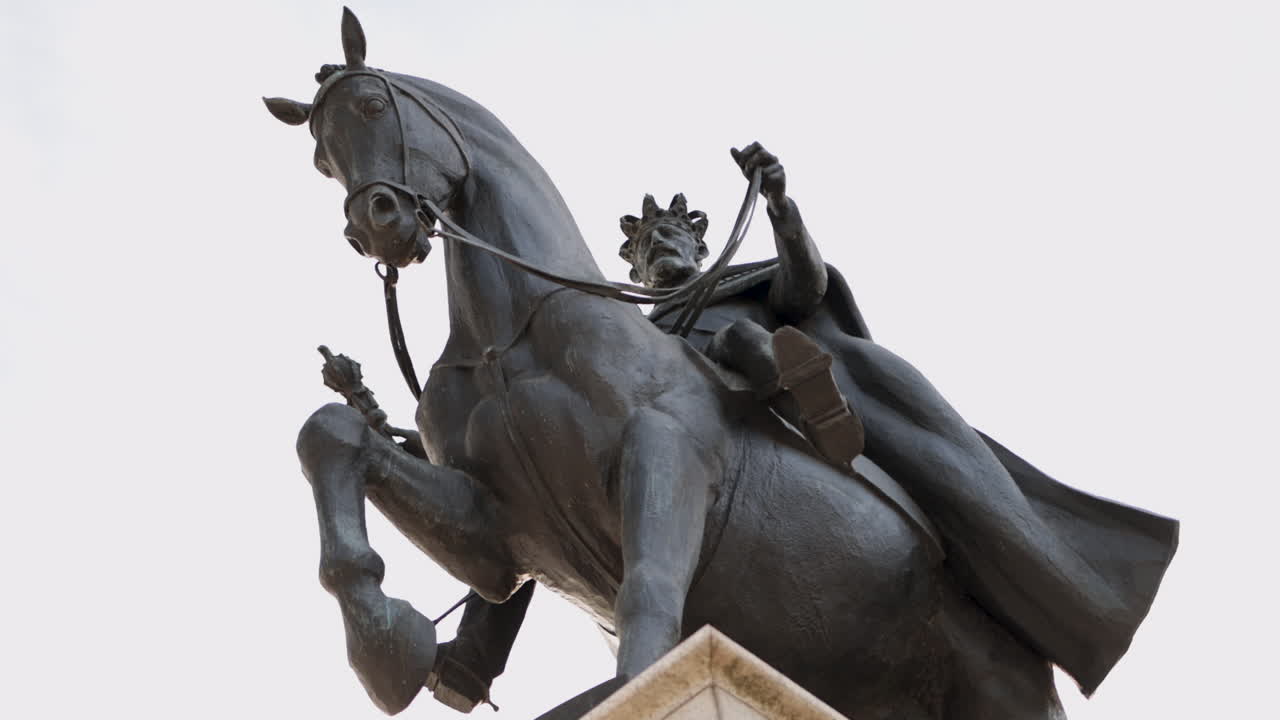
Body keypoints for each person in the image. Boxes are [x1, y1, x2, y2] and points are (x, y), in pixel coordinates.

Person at [619, 142, 1179, 697]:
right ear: (638, 271)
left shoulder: (736, 286)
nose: (659, 247)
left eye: (669, 234)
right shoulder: (638, 334)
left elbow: (804, 287)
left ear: (697, 244)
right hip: (699, 419)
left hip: (762, 383)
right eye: (647, 247)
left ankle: (815, 406)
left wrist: (782, 208)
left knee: (739, 334)